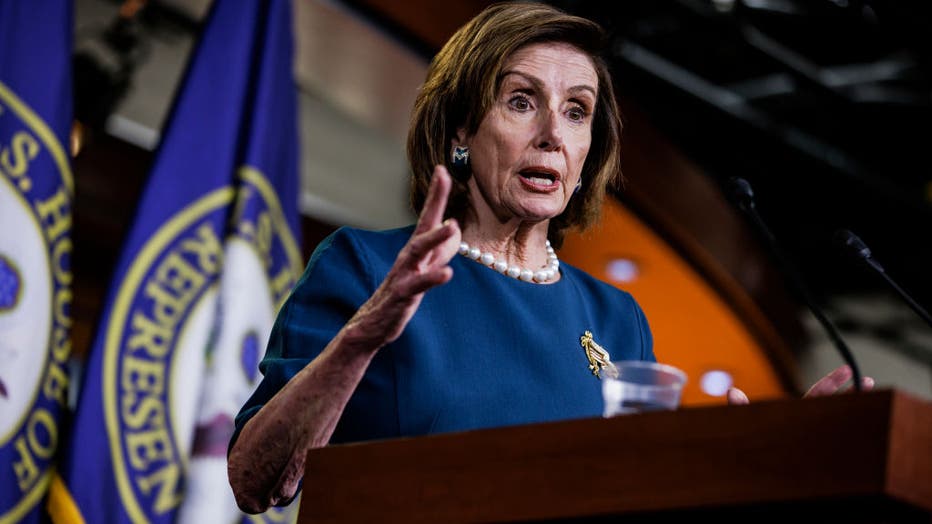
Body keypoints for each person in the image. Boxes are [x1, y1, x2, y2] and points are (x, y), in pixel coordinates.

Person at [227, 2, 871, 513]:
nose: (552, 135)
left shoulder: (618, 318)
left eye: (577, 111)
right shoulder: (368, 267)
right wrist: (362, 337)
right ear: (460, 128)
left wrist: (770, 458)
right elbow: (256, 481)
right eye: (520, 101)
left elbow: (635, 498)